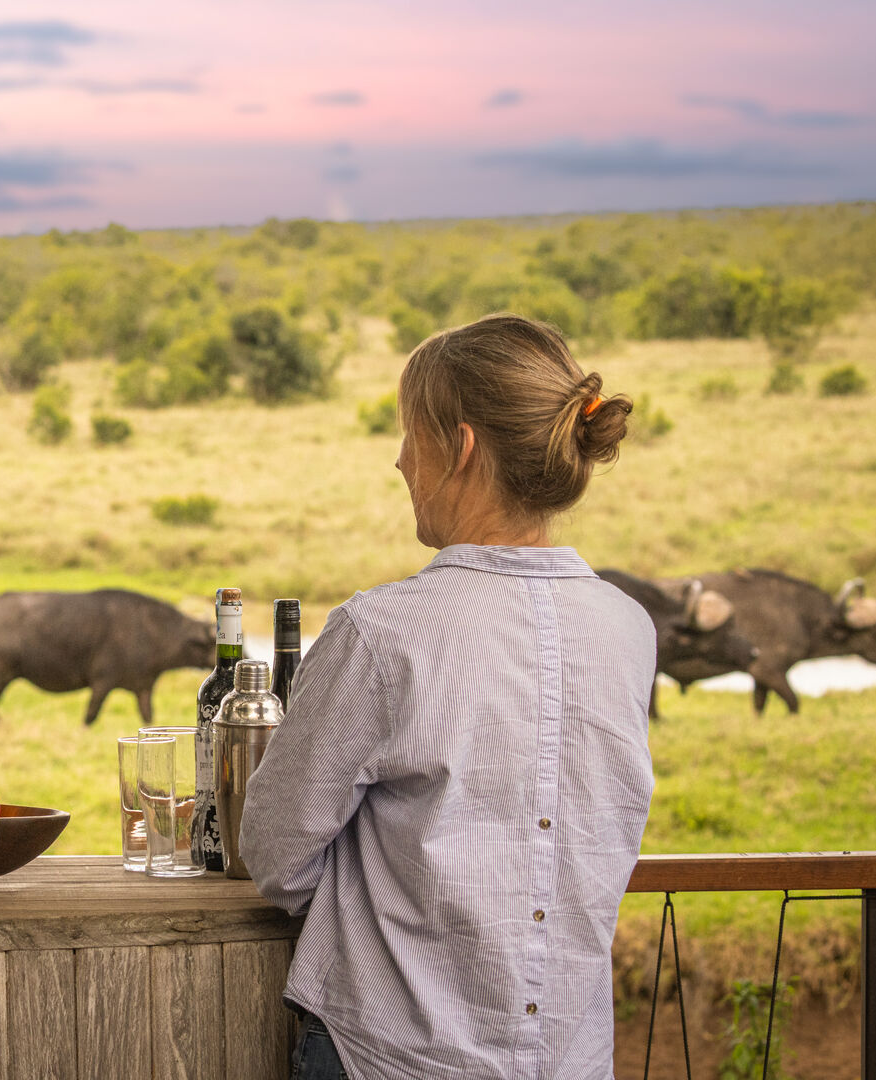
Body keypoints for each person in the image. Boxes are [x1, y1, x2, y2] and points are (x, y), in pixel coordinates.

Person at [239, 313, 655, 1079]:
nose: (399, 462)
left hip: (389, 1055)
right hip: (570, 1058)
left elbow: (275, 851)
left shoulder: (379, 631)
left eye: (409, 436)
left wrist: (369, 924)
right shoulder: (628, 629)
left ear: (459, 448)